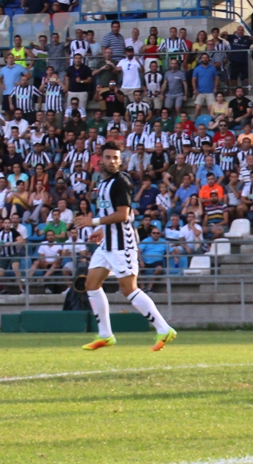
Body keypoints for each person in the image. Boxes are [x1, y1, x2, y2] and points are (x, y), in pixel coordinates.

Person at [76, 142, 177, 352]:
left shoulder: (121, 181)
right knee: (91, 284)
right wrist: (102, 231)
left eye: (115, 158)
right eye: (108, 157)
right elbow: (118, 214)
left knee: (128, 289)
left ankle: (163, 328)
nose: (112, 161)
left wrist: (92, 222)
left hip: (123, 244)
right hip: (108, 243)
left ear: (120, 161)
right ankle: (105, 335)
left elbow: (123, 215)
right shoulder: (102, 183)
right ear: (100, 159)